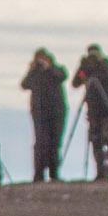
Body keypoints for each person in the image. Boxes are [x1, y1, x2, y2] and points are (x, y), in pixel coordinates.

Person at [72, 44, 108, 181]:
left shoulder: (107, 65)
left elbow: (106, 76)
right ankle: (100, 170)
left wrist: (96, 65)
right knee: (96, 140)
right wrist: (82, 68)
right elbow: (75, 83)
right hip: (94, 112)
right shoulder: (86, 68)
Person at [21, 48, 69, 182]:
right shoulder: (34, 73)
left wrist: (49, 68)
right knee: (41, 142)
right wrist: (31, 70)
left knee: (55, 142)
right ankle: (38, 174)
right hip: (39, 112)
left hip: (57, 111)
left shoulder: (57, 70)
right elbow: (24, 85)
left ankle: (54, 173)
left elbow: (62, 77)